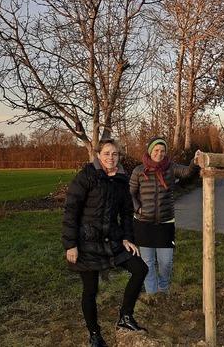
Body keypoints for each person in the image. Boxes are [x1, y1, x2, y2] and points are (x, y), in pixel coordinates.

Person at [62, 138, 148, 347]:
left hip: (112, 241)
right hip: (87, 243)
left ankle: (125, 317)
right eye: (107, 153)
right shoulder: (86, 177)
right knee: (90, 290)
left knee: (140, 269)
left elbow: (126, 213)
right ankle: (94, 334)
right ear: (98, 155)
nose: (111, 157)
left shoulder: (121, 180)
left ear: (119, 157)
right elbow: (71, 210)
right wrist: (70, 244)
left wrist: (127, 237)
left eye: (115, 154)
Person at [130, 137, 199, 295]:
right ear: (150, 151)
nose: (159, 153)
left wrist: (194, 162)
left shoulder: (171, 168)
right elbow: (130, 193)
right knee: (147, 262)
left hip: (165, 223)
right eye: (156, 150)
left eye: (162, 151)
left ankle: (163, 288)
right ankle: (152, 294)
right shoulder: (139, 171)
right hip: (143, 224)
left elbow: (187, 173)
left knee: (165, 262)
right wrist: (138, 208)